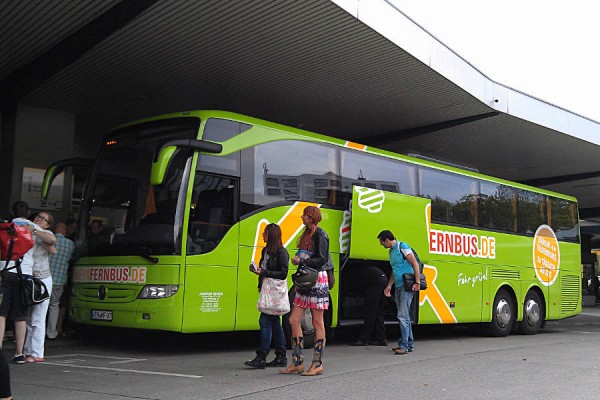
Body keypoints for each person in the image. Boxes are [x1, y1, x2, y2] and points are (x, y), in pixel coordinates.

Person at [280, 206, 330, 376]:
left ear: (312, 217)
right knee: (293, 319)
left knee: (317, 322)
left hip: (316, 279)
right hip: (306, 278)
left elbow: (321, 259)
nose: (302, 217)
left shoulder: (320, 234)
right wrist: (300, 261)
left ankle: (317, 364)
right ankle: (298, 362)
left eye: (305, 215)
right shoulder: (307, 233)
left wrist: (302, 261)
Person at [244, 223, 289, 369]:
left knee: (265, 321)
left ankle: (261, 356)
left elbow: (283, 273)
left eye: (265, 233)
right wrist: (257, 274)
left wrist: (263, 273)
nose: (262, 235)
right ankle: (281, 356)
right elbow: (264, 269)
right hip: (267, 291)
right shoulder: (266, 251)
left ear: (271, 235)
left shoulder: (282, 252)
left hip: (274, 292)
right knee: (275, 323)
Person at [0, 201, 35, 364]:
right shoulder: (32, 227)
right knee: (20, 315)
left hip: (5, 272)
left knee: (1, 313)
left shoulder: (5, 227)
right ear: (28, 213)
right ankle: (19, 353)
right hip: (24, 275)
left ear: (13, 212)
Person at [377, 230, 420, 355]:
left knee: (402, 316)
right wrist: (389, 286)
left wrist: (417, 282)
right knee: (404, 316)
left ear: (387, 240)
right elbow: (395, 271)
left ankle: (404, 346)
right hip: (399, 285)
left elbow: (415, 264)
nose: (381, 245)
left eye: (381, 242)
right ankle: (409, 344)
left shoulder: (403, 246)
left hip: (407, 286)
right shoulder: (391, 252)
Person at [23, 212, 56, 363]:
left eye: (43, 219)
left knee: (38, 316)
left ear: (48, 224)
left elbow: (52, 243)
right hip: (30, 277)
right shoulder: (28, 229)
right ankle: (28, 350)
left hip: (43, 279)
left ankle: (37, 352)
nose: (39, 219)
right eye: (38, 217)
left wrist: (35, 231)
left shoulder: (44, 233)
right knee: (29, 316)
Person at [344, 264, 388, 346]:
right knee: (378, 311)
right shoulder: (356, 271)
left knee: (370, 311)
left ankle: (364, 339)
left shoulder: (348, 275)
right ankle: (381, 338)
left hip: (375, 282)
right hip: (382, 279)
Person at [46, 222, 74, 340]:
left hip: (44, 278)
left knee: (39, 307)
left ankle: (36, 333)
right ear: (65, 231)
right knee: (54, 305)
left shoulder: (48, 240)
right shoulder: (70, 244)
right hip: (59, 280)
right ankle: (51, 333)